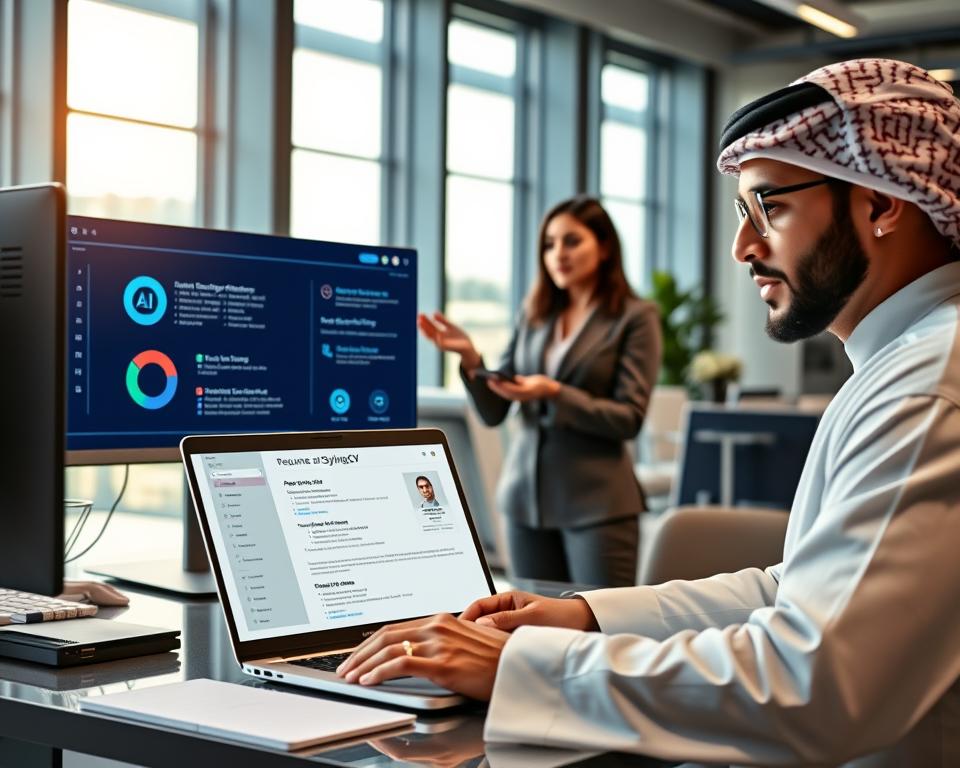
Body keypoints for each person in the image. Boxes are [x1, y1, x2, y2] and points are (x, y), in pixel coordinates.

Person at [339, 59, 960, 766]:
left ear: (882, 203)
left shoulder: (926, 388)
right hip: (536, 494)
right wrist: (583, 615)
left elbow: (812, 683)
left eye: (771, 207)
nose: (743, 248)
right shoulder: (904, 363)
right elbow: (798, 592)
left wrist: (525, 666)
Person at [418, 196, 661, 587]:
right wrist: (471, 359)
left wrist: (554, 393)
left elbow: (628, 417)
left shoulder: (635, 317)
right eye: (549, 244)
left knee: (598, 630)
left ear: (603, 248)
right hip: (524, 502)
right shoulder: (534, 314)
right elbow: (496, 409)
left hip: (597, 506)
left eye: (571, 241)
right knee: (529, 633)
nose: (557, 254)